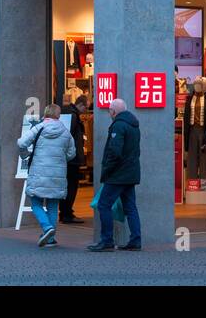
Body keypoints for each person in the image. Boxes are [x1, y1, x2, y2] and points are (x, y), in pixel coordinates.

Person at [16, 104, 76, 248]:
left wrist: (26, 155)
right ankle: (50, 239)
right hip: (57, 174)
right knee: (53, 205)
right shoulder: (66, 132)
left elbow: (21, 142)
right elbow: (71, 153)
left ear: (45, 114)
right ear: (58, 115)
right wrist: (60, 160)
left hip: (38, 172)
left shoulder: (39, 128)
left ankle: (46, 227)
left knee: (35, 202)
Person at [89, 98, 142, 252]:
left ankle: (107, 241)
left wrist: (107, 169)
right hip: (131, 173)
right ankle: (136, 240)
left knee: (103, 204)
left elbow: (115, 151)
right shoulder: (134, 125)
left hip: (118, 174)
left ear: (113, 111)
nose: (109, 114)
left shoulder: (118, 125)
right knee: (130, 207)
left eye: (109, 111)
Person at [59, 99, 86, 224]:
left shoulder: (65, 113)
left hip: (65, 157)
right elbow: (69, 137)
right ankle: (67, 213)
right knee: (72, 185)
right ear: (80, 105)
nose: (85, 111)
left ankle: (64, 211)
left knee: (66, 185)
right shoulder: (74, 116)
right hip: (72, 158)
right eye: (85, 108)